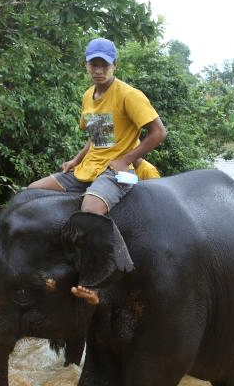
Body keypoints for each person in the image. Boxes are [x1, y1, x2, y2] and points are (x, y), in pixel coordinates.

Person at [28, 37, 167, 303]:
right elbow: (97, 137)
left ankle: (97, 284)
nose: (99, 69)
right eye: (94, 64)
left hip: (117, 170)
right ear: (87, 66)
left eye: (104, 64)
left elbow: (158, 132)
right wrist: (75, 160)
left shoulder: (129, 95)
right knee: (33, 193)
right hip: (87, 168)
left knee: (90, 211)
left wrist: (127, 159)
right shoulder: (88, 97)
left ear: (114, 65)